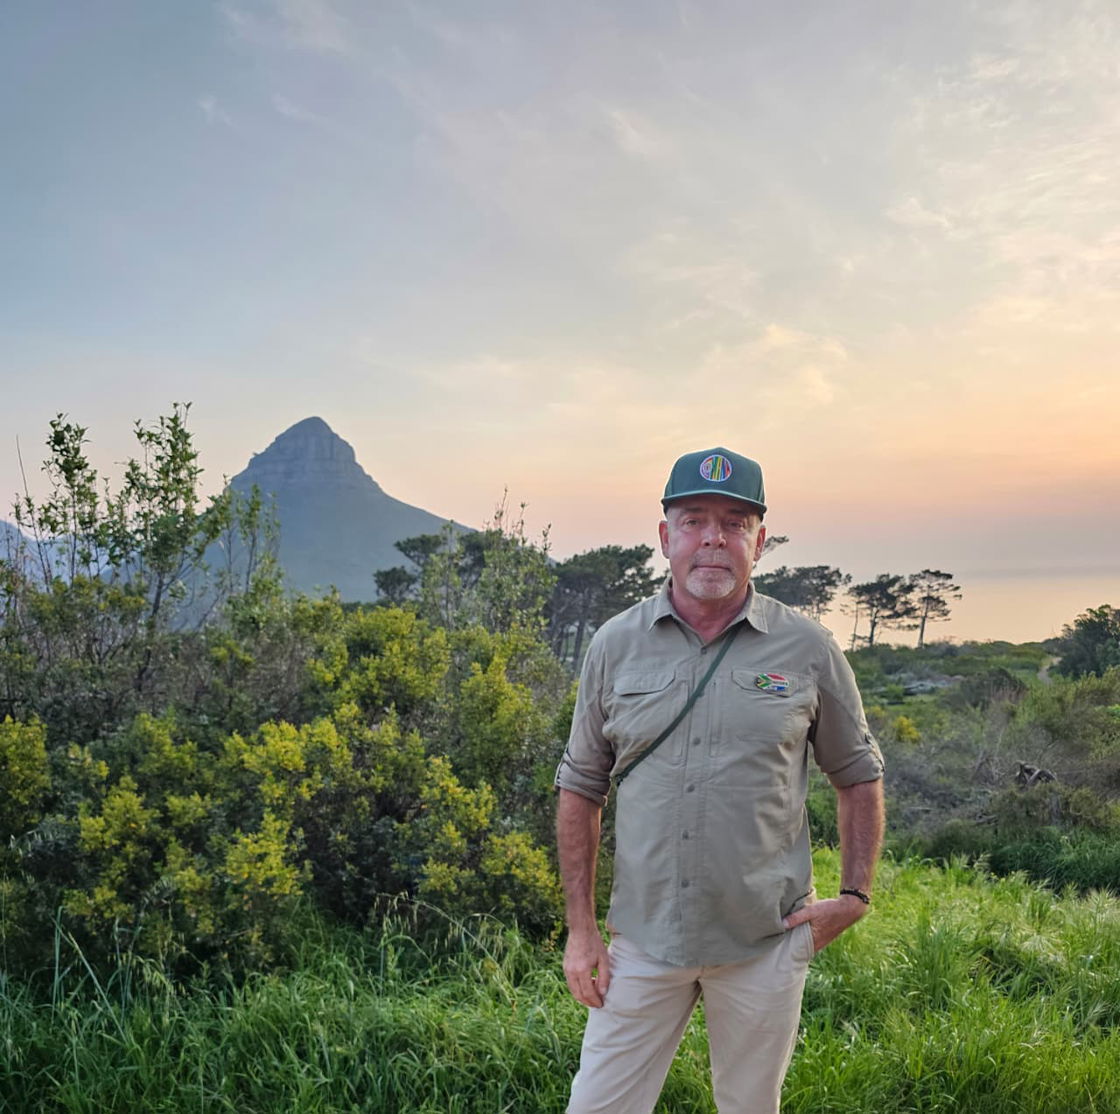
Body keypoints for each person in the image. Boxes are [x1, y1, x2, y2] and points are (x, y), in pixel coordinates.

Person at [554, 447, 885, 1114]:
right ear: (665, 536)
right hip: (643, 941)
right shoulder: (615, 644)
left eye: (734, 523)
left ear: (759, 542)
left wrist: (854, 895)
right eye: (695, 520)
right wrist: (581, 929)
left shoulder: (808, 648)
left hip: (764, 941)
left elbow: (857, 774)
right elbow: (581, 786)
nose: (713, 538)